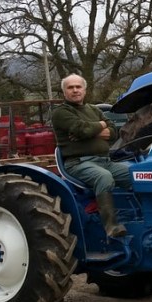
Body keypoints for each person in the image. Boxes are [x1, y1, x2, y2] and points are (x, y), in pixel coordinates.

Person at [52, 74, 131, 237]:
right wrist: (100, 126)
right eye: (70, 87)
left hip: (105, 161)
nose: (75, 90)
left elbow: (115, 132)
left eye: (78, 87)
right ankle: (111, 226)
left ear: (85, 90)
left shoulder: (94, 109)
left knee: (138, 175)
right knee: (104, 177)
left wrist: (90, 131)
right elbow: (82, 130)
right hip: (78, 163)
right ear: (64, 92)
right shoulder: (60, 112)